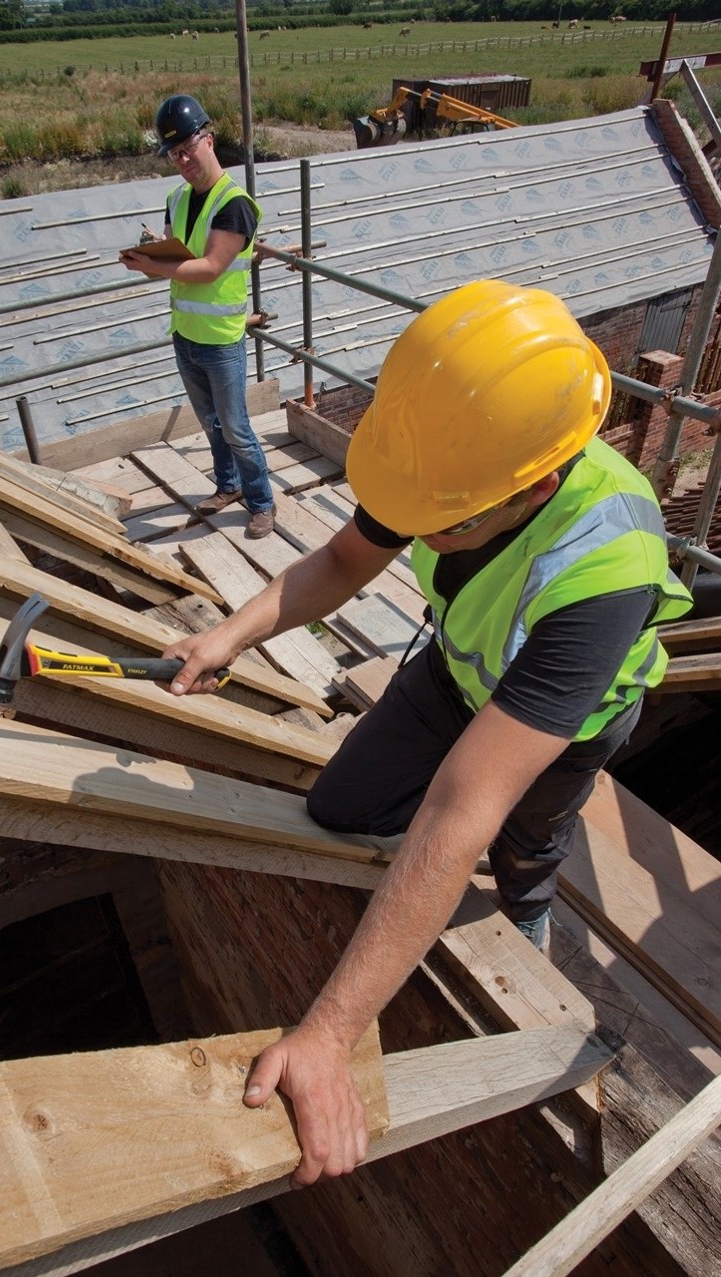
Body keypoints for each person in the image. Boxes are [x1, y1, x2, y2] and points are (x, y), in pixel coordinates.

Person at [159, 280, 693, 1185]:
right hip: (460, 670)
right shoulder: (449, 461)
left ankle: (525, 921)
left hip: (572, 727)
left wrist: (331, 1032)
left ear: (543, 480)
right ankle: (432, 904)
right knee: (339, 807)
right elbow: (339, 559)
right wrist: (228, 635)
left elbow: (460, 807)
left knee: (524, 844)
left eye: (443, 524)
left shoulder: (607, 567)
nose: (419, 532)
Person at [121, 94, 276, 539]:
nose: (183, 159)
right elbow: (176, 260)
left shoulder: (235, 204)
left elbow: (208, 269)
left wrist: (152, 264)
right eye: (174, 153)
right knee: (210, 423)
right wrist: (148, 255)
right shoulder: (176, 198)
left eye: (188, 148)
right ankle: (227, 487)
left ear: (208, 139)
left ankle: (262, 502)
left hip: (222, 339)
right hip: (185, 334)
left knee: (236, 427)